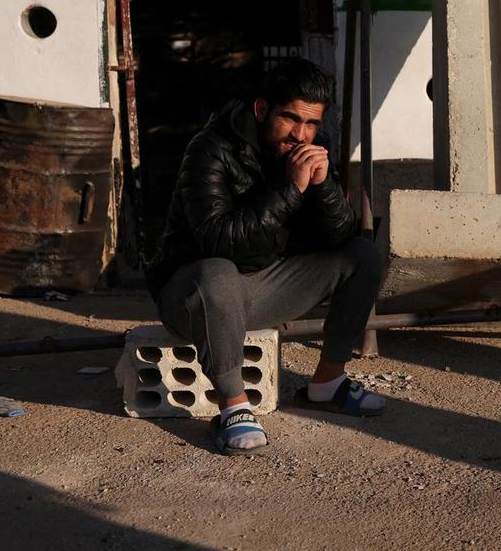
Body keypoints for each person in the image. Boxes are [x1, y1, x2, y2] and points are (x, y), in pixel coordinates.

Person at [149, 58, 385, 455]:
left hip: (261, 288)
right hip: (194, 297)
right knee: (218, 272)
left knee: (362, 254)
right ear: (261, 110)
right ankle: (232, 406)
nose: (301, 134)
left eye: (311, 123)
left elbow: (340, 236)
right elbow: (218, 242)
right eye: (290, 119)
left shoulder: (307, 151)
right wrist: (291, 189)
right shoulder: (209, 150)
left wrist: (324, 188)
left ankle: (327, 383)